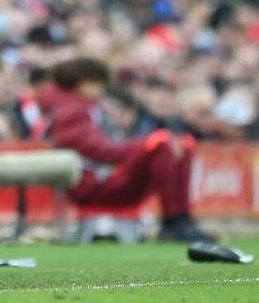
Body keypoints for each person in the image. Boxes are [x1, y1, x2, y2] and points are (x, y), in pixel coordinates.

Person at [43, 58, 215, 243]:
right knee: (162, 143)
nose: (102, 89)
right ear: (83, 83)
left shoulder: (84, 108)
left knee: (182, 142)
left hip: (101, 176)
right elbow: (102, 151)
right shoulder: (72, 112)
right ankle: (172, 221)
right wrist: (149, 142)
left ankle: (181, 217)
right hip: (92, 183)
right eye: (98, 83)